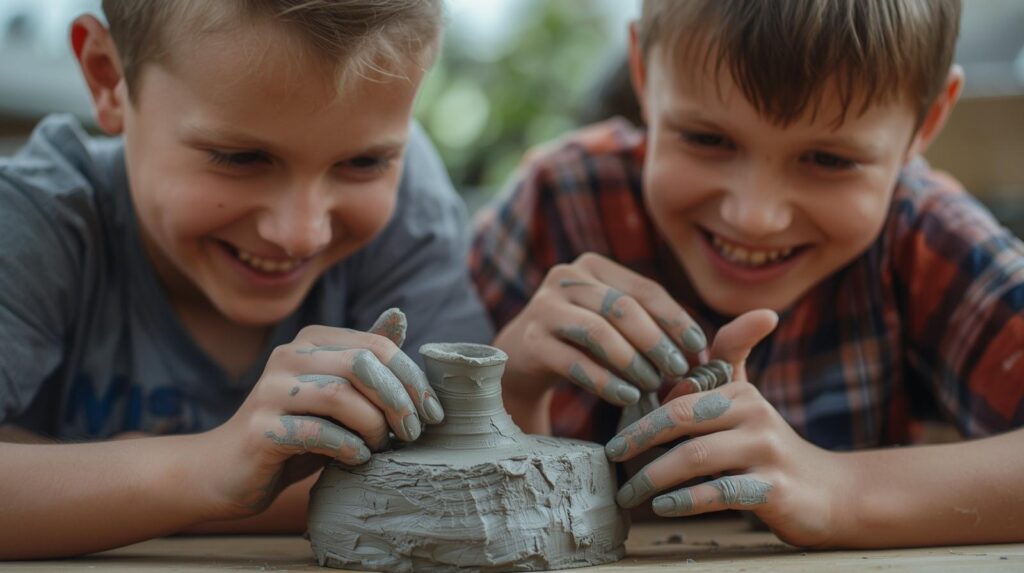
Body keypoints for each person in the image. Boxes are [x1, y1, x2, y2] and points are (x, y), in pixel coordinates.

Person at [471, 0, 1024, 549]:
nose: (754, 217)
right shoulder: (559, 204)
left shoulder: (925, 236)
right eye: (708, 139)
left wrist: (838, 492)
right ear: (643, 71)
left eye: (829, 160)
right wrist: (508, 390)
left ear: (925, 122)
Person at [0, 0, 492, 559]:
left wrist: (93, 476)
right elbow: (420, 488)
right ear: (109, 78)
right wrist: (205, 471)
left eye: (364, 164)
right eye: (240, 157)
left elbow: (461, 474)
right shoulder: (34, 218)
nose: (301, 234)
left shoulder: (411, 211)